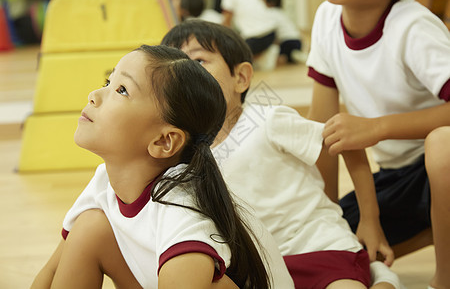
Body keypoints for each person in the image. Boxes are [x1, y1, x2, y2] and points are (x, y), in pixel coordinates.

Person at [161, 19, 402, 289]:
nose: (186, 75)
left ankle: (383, 279)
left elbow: (348, 143)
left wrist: (370, 222)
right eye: (175, 68)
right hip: (265, 268)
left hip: (322, 247)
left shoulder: (268, 119)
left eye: (198, 61)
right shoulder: (185, 155)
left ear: (240, 77)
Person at [30, 45, 295, 289]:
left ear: (164, 141)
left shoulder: (183, 212)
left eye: (121, 90)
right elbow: (51, 272)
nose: (94, 95)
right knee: (89, 228)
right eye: (108, 83)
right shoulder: (104, 182)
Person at [306, 0, 450, 288]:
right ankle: (437, 229)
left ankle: (444, 279)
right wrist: (325, 219)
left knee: (442, 145)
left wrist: (378, 127)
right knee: (339, 236)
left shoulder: (413, 26)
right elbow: (323, 130)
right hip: (398, 178)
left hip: (438, 166)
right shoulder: (327, 17)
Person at [221, 0, 279, 71]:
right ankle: (264, 55)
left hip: (255, 37)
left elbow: (227, 20)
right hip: (271, 34)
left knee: (231, 61)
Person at [260, 0, 306, 64]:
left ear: (270, 2)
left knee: (278, 57)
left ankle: (290, 56)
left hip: (286, 42)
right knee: (289, 55)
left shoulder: (269, 13)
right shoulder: (281, 13)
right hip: (297, 41)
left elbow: (270, 34)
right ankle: (293, 56)